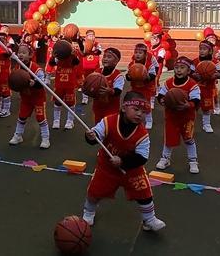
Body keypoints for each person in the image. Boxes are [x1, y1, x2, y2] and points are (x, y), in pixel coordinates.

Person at [82, 91, 166, 232]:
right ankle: (88, 212)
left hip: (132, 169)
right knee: (94, 192)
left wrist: (122, 161)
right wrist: (91, 136)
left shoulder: (142, 134)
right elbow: (95, 136)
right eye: (136, 109)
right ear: (123, 108)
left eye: (143, 112)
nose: (139, 114)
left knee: (144, 193)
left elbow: (142, 157)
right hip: (107, 168)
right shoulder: (108, 122)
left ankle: (149, 219)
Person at [155, 56, 202, 174]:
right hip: (171, 117)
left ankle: (193, 161)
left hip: (187, 118)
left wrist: (188, 105)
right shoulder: (168, 82)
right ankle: (165, 158)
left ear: (189, 70)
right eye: (176, 67)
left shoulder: (192, 84)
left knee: (188, 139)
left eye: (182, 67)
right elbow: (160, 95)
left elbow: (196, 100)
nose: (179, 70)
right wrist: (162, 100)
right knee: (169, 139)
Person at [8, 44, 51, 149]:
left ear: (30, 55)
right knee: (22, 117)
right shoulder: (17, 66)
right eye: (19, 52)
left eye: (24, 52)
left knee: (41, 118)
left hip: (38, 98)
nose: (21, 54)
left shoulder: (36, 69)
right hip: (26, 98)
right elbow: (14, 81)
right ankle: (18, 135)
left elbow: (42, 84)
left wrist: (34, 83)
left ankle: (45, 138)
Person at [192, 40, 220, 133]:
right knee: (193, 107)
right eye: (200, 49)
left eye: (204, 49)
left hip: (208, 89)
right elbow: (190, 72)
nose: (201, 51)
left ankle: (206, 124)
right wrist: (194, 75)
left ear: (210, 51)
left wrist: (216, 75)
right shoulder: (194, 61)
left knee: (206, 108)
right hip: (195, 89)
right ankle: (189, 123)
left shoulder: (214, 62)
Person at [49, 42, 82, 130]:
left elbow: (77, 62)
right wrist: (54, 55)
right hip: (59, 85)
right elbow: (51, 63)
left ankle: (70, 121)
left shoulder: (72, 58)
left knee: (70, 103)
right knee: (57, 102)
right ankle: (56, 120)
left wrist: (72, 53)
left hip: (69, 85)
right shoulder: (58, 58)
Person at [127, 43, 159, 129]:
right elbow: (127, 75)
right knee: (135, 104)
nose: (137, 54)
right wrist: (129, 76)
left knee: (146, 105)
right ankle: (135, 118)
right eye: (136, 52)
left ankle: (149, 119)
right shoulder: (131, 64)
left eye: (140, 53)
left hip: (146, 89)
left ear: (145, 55)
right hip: (135, 88)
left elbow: (153, 75)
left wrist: (147, 77)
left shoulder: (149, 64)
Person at [91, 48, 125, 123]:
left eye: (109, 57)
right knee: (98, 126)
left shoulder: (118, 76)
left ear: (116, 61)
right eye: (104, 56)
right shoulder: (97, 72)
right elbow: (91, 87)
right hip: (98, 107)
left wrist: (110, 91)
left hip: (111, 109)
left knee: (109, 127)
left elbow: (118, 91)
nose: (105, 59)